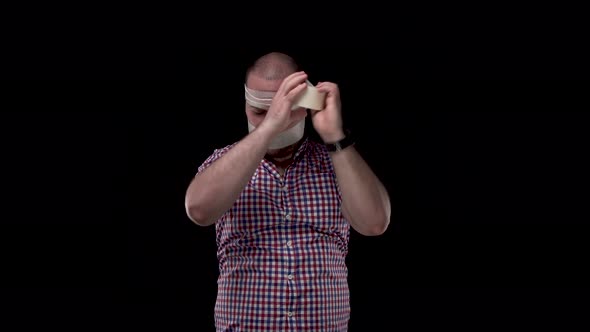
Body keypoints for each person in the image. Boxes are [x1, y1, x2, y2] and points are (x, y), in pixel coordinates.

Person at [184, 52, 391, 331]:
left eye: (285, 110)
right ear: (245, 106)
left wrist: (335, 136)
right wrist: (269, 126)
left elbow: (375, 222)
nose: (278, 120)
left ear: (306, 105)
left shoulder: (336, 165)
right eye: (259, 111)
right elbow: (198, 210)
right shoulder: (223, 162)